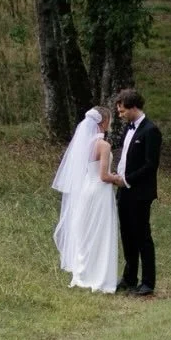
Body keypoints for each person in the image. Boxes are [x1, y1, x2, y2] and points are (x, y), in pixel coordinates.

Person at [52, 105, 123, 294]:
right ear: (104, 122)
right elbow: (104, 176)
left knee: (87, 232)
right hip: (99, 192)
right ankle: (99, 276)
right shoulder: (104, 145)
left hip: (85, 190)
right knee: (101, 233)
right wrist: (119, 179)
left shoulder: (85, 144)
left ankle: (84, 273)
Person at [114, 88, 161, 296]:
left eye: (122, 110)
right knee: (127, 234)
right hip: (124, 191)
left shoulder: (150, 130)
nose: (120, 114)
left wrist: (127, 180)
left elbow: (151, 165)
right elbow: (125, 156)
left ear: (133, 108)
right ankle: (129, 276)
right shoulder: (128, 128)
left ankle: (148, 281)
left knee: (142, 235)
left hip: (140, 192)